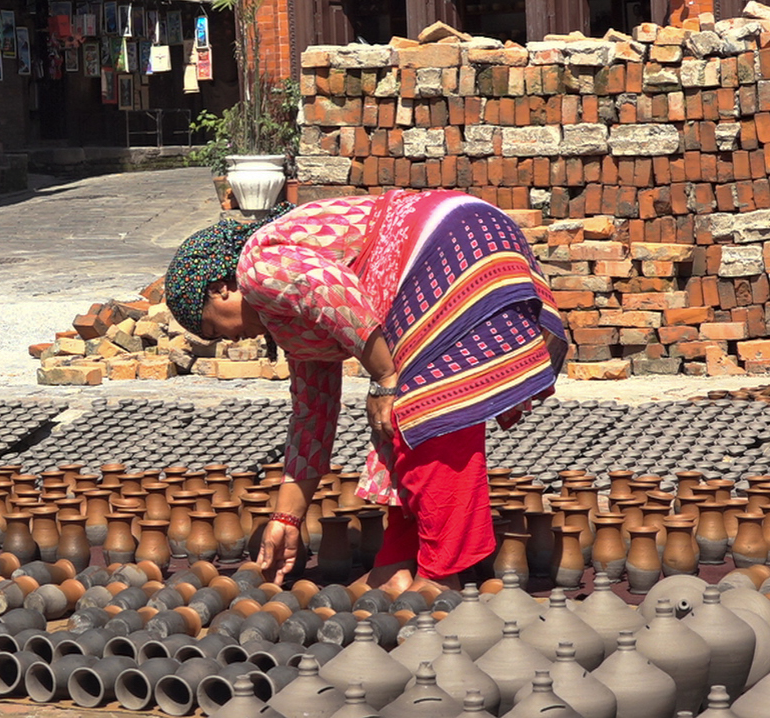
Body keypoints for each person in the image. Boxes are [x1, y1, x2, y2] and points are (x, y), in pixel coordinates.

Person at [164, 190, 568, 594]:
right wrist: (286, 520)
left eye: (216, 328)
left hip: (449, 245)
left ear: (220, 289)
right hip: (459, 236)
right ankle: (397, 562)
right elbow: (312, 417)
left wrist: (384, 377)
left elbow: (332, 289)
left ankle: (441, 574)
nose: (232, 338)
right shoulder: (291, 322)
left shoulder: (256, 265)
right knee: (397, 423)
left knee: (426, 414)